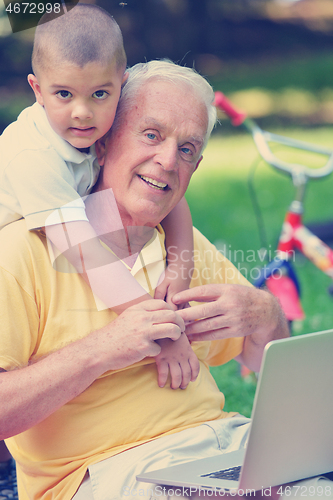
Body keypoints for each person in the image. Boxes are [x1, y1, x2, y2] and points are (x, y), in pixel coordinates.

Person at [0, 60, 328, 500]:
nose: (169, 160)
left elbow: (259, 367)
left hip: (228, 448)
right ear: (105, 139)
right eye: (151, 135)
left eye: (188, 148)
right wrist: (103, 350)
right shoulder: (24, 249)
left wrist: (267, 317)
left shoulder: (183, 245)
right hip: (110, 474)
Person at [0, 3, 199, 391]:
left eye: (99, 94)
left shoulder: (93, 129)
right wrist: (168, 334)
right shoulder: (34, 157)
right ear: (37, 89)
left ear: (120, 85)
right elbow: (87, 256)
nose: (81, 112)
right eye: (63, 94)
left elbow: (170, 192)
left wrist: (180, 269)